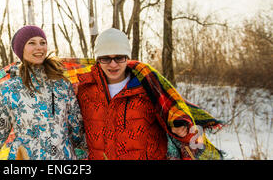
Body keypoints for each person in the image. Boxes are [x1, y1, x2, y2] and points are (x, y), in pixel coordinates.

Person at [0, 25, 87, 160]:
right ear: (21, 50)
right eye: (32, 43)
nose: (39, 47)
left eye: (42, 42)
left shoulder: (62, 84)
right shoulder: (8, 90)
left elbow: (78, 135)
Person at [77, 28, 223, 160]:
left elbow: (184, 123)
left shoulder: (150, 88)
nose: (113, 64)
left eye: (119, 57)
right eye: (106, 58)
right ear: (97, 60)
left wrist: (182, 133)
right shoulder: (83, 90)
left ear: (127, 58)